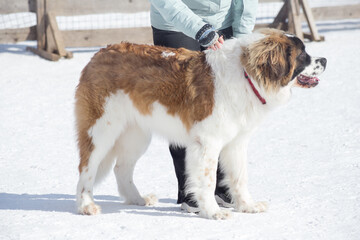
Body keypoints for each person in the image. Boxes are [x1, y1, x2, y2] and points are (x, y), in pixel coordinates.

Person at [149, 0, 258, 212]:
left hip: (222, 19)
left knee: (226, 109)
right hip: (173, 22)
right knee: (183, 108)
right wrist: (199, 28)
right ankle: (191, 191)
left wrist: (242, 37)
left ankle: (223, 187)